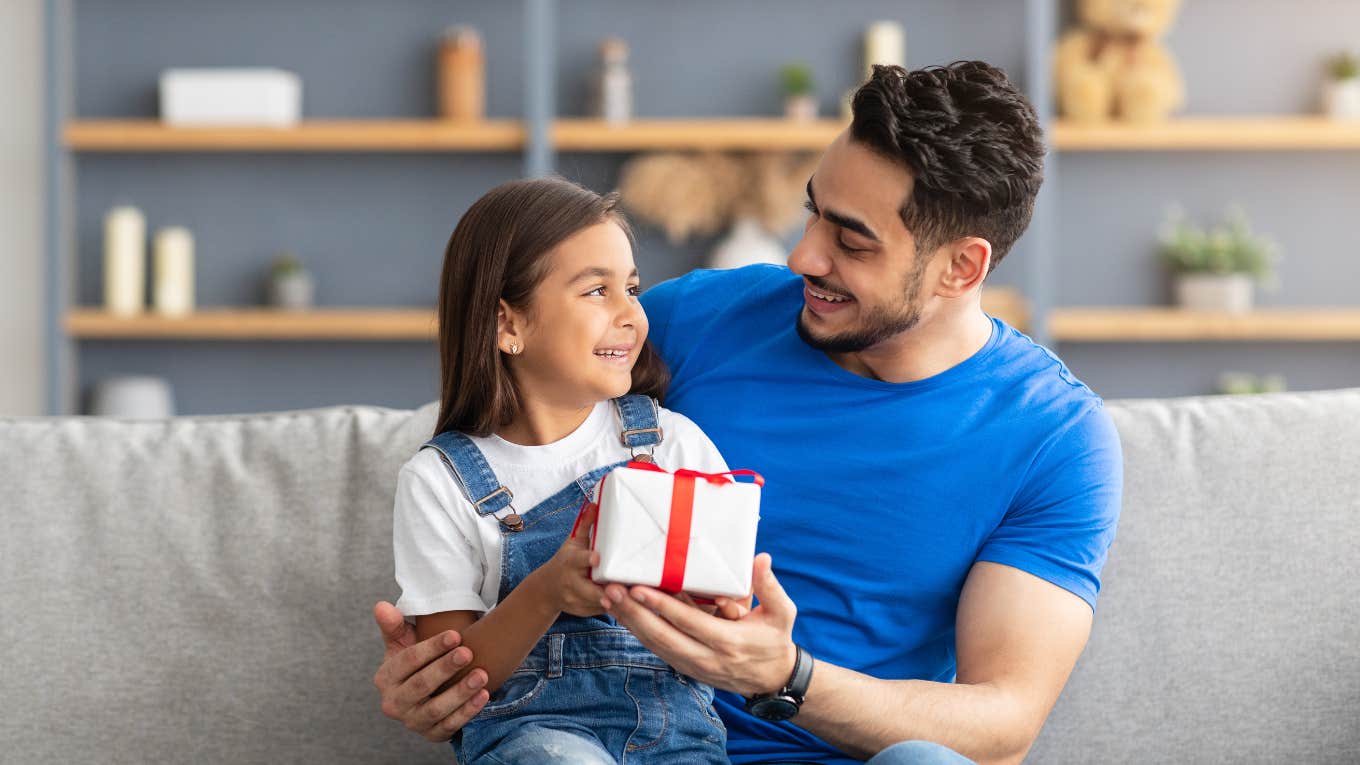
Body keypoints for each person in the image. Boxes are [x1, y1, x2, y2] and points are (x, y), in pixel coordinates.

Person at [373, 61, 1123, 765]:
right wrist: (442, 668)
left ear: (962, 266)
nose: (803, 256)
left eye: (850, 240)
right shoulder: (703, 318)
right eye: (813, 213)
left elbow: (1003, 720)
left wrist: (790, 678)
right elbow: (515, 401)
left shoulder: (1055, 436)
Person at [390, 176, 747, 764]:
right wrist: (548, 589)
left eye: (631, 288)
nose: (632, 313)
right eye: (596, 291)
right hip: (535, 742)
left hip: (680, 741)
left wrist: (716, 610)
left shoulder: (672, 445)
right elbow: (452, 682)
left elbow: (733, 618)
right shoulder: (440, 482)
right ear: (509, 325)